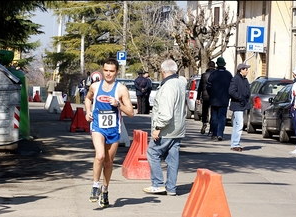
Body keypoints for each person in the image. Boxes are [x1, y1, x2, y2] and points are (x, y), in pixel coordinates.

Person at [84, 58, 134, 208]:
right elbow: (87, 98)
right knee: (100, 155)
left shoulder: (121, 89)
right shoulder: (95, 86)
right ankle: (95, 186)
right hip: (98, 126)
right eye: (106, 70)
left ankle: (105, 190)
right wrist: (87, 111)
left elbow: (131, 112)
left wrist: (118, 105)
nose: (108, 74)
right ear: (102, 70)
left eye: (111, 71)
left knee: (108, 162)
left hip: (113, 129)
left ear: (116, 72)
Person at [142, 59, 187, 195]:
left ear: (163, 71)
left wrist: (157, 128)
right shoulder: (180, 83)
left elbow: (166, 112)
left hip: (166, 129)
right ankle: (171, 187)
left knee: (153, 153)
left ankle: (157, 183)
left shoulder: (168, 86)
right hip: (178, 128)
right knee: (173, 158)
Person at [206, 57, 233, 141]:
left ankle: (214, 133)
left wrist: (211, 94)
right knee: (222, 116)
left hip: (214, 99)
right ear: (224, 64)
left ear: (217, 64)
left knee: (214, 116)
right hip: (224, 99)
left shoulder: (213, 74)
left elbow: (208, 87)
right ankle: (220, 133)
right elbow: (231, 88)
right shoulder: (229, 75)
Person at [228, 63, 251, 152]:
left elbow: (247, 91)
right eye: (245, 69)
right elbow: (232, 91)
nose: (247, 71)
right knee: (239, 124)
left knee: (237, 125)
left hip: (242, 104)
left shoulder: (244, 80)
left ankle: (234, 143)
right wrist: (240, 98)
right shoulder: (236, 79)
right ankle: (235, 144)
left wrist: (246, 97)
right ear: (241, 70)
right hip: (237, 105)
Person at [196, 61, 216, 134]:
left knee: (205, 110)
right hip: (214, 96)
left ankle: (204, 122)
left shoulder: (204, 75)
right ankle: (212, 125)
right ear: (214, 66)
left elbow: (200, 87)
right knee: (213, 111)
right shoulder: (216, 75)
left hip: (205, 96)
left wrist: (198, 97)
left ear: (208, 66)